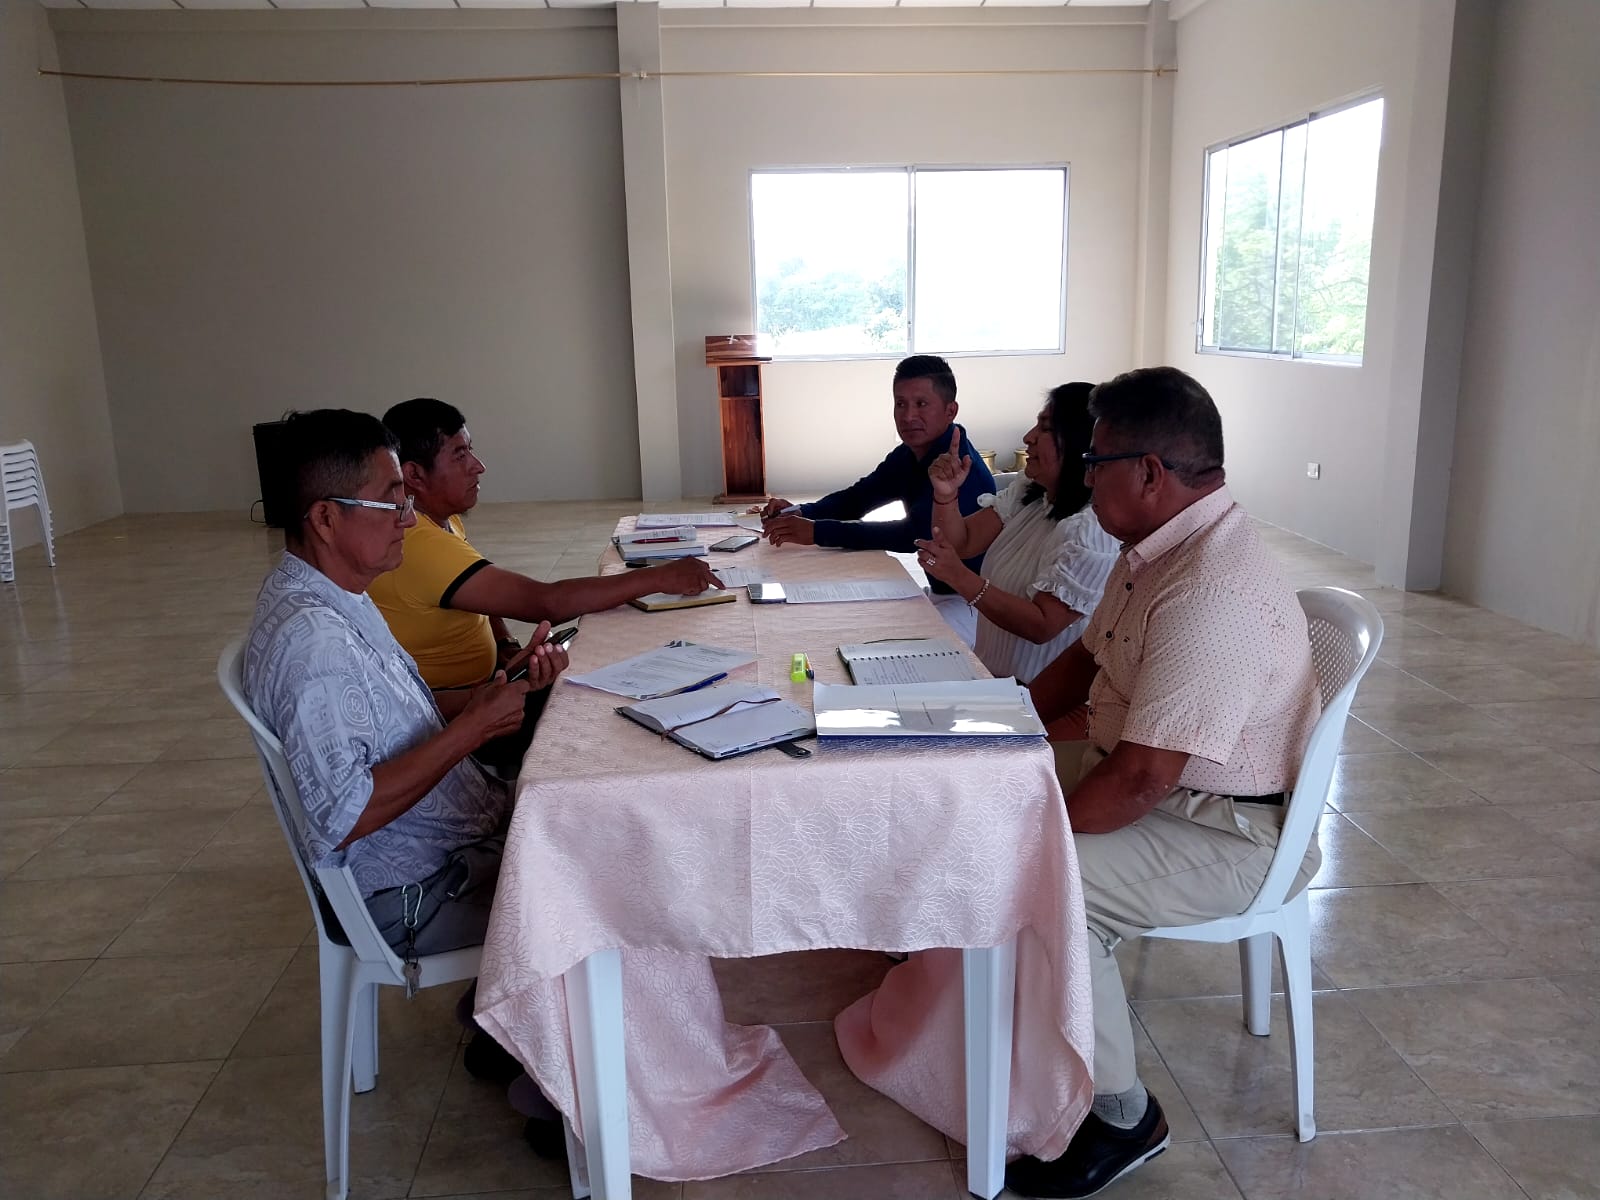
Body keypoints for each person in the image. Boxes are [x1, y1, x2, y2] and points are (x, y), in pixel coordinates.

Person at [1006, 368, 1321, 1199]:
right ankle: (1003, 1017)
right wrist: (1006, 725)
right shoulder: (1157, 548)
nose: (1084, 474)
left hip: (1232, 831)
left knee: (1051, 884)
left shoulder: (1210, 590)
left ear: (1148, 472)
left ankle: (1123, 1118)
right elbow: (1086, 658)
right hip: (1162, 780)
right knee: (982, 795)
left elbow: (1142, 781)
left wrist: (1039, 834)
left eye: (1095, 460)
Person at [243, 408, 572, 1153]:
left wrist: (498, 691)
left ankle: (506, 1025)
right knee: (606, 886)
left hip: (442, 844)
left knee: (578, 814)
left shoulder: (333, 594)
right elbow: (345, 812)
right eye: (391, 499)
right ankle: (566, 1107)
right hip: (412, 892)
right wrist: (471, 731)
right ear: (326, 518)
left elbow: (401, 716)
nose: (407, 517)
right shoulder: (314, 643)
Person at [368, 398, 720, 769]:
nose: (478, 466)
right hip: (460, 716)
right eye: (460, 455)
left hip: (491, 682)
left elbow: (477, 589)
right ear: (415, 475)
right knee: (606, 716)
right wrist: (658, 576)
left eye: (470, 450)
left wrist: (505, 645)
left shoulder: (441, 522)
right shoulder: (421, 543)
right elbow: (546, 602)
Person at [758, 354, 996, 644]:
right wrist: (801, 511)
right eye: (900, 404)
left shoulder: (959, 468)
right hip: (940, 592)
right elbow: (859, 498)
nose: (908, 416)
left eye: (921, 404)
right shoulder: (909, 454)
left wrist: (818, 532)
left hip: (974, 604)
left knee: (891, 650)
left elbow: (914, 535)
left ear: (950, 411)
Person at [913, 382, 1119, 686]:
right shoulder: (1032, 493)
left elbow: (1042, 625)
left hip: (1037, 697)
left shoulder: (1091, 530)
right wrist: (946, 494)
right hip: (992, 679)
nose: (1028, 437)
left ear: (1078, 443)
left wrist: (960, 577)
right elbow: (963, 541)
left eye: (1045, 428)